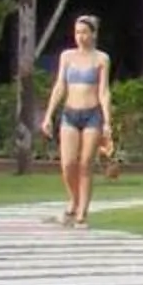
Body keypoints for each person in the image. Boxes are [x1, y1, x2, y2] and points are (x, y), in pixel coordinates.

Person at [40, 15, 115, 226]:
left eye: (85, 32)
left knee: (85, 164)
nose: (80, 37)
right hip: (70, 113)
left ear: (93, 34)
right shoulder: (67, 56)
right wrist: (48, 115)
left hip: (92, 114)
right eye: (77, 32)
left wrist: (107, 121)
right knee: (68, 163)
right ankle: (73, 199)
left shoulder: (101, 59)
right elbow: (60, 86)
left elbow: (104, 91)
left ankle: (82, 211)